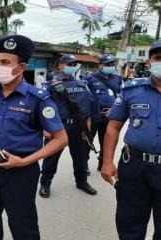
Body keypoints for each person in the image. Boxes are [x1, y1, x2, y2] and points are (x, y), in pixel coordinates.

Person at [0, 35, 68, 240]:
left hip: (21, 172)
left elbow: (60, 139)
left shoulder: (38, 98)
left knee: (23, 226)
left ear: (21, 67)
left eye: (5, 62)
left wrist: (25, 161)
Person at [102, 39, 161, 239]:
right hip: (134, 166)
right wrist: (107, 161)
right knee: (129, 224)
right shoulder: (131, 90)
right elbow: (113, 127)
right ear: (149, 62)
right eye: (160, 58)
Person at [39, 54, 98, 198]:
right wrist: (45, 128)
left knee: (81, 157)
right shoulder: (51, 85)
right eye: (70, 64)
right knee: (51, 158)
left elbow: (87, 108)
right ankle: (45, 183)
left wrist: (88, 127)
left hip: (79, 127)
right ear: (61, 66)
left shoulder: (82, 84)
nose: (73, 67)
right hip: (58, 127)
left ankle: (82, 181)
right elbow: (41, 107)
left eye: (74, 65)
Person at [84, 54, 123, 171]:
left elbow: (122, 97)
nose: (110, 66)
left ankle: (102, 163)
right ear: (100, 65)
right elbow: (84, 97)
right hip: (93, 116)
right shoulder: (89, 79)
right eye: (107, 64)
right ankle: (83, 166)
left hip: (109, 117)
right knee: (87, 142)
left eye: (112, 64)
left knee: (105, 142)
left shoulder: (117, 79)